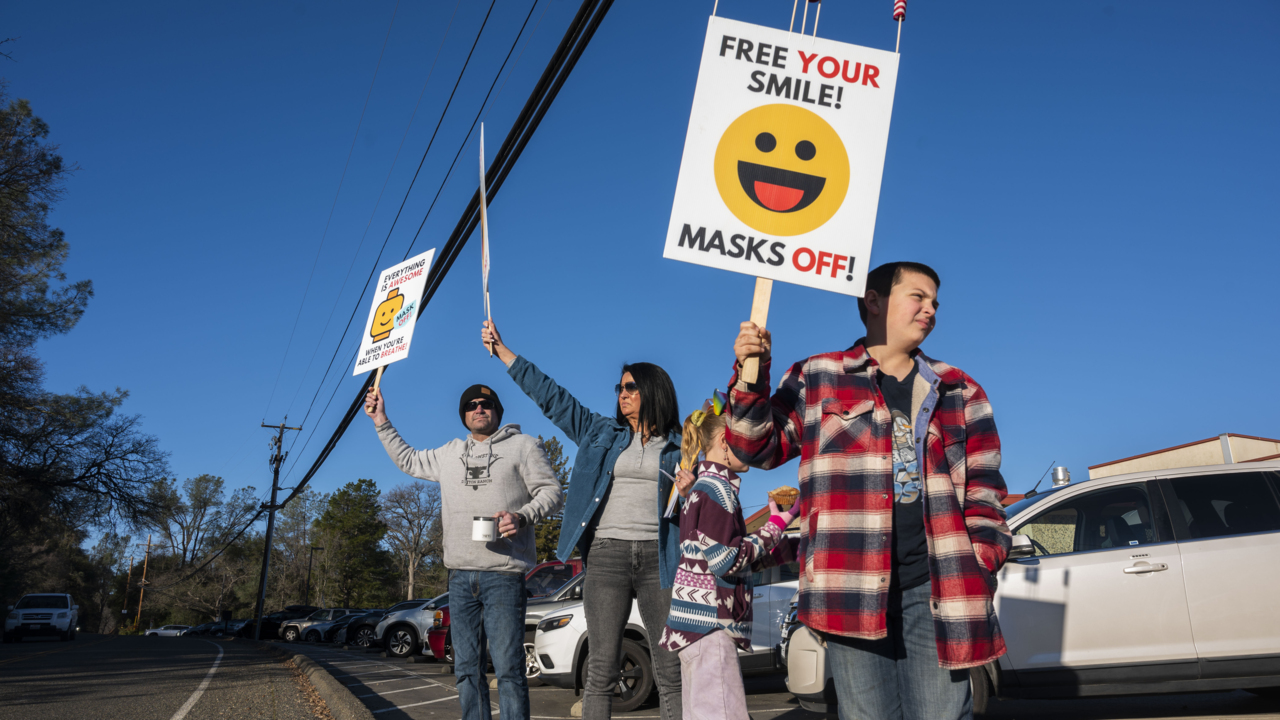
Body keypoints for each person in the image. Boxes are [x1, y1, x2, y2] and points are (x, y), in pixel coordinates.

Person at [725, 261, 1012, 720]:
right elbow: (753, 446)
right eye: (918, 296)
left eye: (935, 301)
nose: (930, 309)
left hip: (939, 585)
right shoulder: (817, 376)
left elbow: (985, 491)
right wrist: (749, 374)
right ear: (873, 302)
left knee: (943, 714)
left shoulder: (960, 390)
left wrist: (981, 561)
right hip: (847, 585)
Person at [481, 319, 685, 720]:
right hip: (607, 556)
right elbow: (553, 398)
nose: (621, 394)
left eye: (630, 387)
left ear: (652, 390)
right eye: (619, 388)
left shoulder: (680, 446)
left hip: (659, 561)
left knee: (671, 669)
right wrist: (505, 353)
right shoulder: (600, 432)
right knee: (601, 668)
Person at [364, 381, 563, 720]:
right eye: (471, 405)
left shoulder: (523, 446)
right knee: (466, 668)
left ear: (498, 411)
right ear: (464, 415)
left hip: (503, 574)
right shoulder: (449, 454)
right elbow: (408, 459)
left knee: (508, 669)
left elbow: (551, 491)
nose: (478, 408)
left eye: (485, 404)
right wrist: (381, 420)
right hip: (459, 578)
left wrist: (522, 515)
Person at [659, 393, 797, 720]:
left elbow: (721, 560)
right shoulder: (716, 492)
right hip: (710, 629)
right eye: (743, 439)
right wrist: (779, 523)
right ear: (724, 441)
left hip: (694, 628)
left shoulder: (701, 491)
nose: (752, 446)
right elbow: (726, 560)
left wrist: (788, 548)